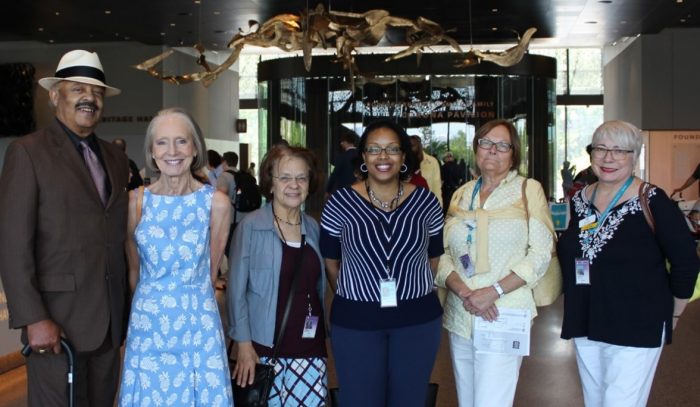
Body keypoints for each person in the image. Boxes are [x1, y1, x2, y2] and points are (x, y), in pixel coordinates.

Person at [0, 49, 129, 407]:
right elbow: (13, 244)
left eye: (98, 92)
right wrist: (33, 317)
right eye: (78, 89)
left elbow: (116, 238)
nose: (90, 98)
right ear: (55, 95)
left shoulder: (116, 158)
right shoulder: (27, 152)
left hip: (109, 324)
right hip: (55, 324)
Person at [557, 120, 700, 407]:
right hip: (587, 320)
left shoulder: (653, 199)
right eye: (601, 149)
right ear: (591, 154)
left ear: (635, 157)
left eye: (620, 151)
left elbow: (686, 261)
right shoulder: (580, 200)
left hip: (637, 323)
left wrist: (673, 315)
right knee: (595, 401)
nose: (609, 158)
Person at [321, 120, 444, 407]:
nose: (383, 157)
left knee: (410, 400)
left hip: (417, 320)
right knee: (359, 400)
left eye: (392, 149)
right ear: (363, 156)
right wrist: (357, 293)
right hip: (355, 321)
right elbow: (331, 261)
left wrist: (412, 288)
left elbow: (434, 257)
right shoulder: (340, 203)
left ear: (403, 157)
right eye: (374, 149)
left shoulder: (426, 202)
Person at [434, 119, 554, 407]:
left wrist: (493, 292)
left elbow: (540, 253)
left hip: (504, 312)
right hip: (462, 312)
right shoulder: (462, 193)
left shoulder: (529, 189)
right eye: (486, 143)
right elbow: (443, 252)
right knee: (468, 399)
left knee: (492, 401)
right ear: (476, 149)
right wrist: (464, 292)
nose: (492, 151)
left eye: (502, 145)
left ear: (514, 154)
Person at [118, 108, 233, 406]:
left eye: (181, 141)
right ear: (151, 152)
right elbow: (134, 273)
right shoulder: (135, 203)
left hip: (198, 324)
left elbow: (210, 273)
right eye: (162, 143)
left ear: (195, 148)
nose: (172, 151)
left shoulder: (216, 205)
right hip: (148, 327)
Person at [228, 145, 328, 406]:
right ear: (270, 184)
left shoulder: (313, 227)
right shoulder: (250, 226)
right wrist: (244, 345)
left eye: (301, 178)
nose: (294, 185)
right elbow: (235, 292)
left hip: (310, 349)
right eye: (285, 177)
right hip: (264, 350)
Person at [410, 135, 443, 207]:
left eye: (412, 145)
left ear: (420, 145)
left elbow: (437, 188)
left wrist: (439, 208)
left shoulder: (432, 162)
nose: (410, 148)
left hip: (428, 205)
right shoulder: (405, 163)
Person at [325, 129, 359, 198]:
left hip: (344, 190)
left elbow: (335, 174)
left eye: (342, 142)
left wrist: (328, 190)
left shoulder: (342, 157)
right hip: (360, 189)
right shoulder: (362, 155)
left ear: (346, 142)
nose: (341, 144)